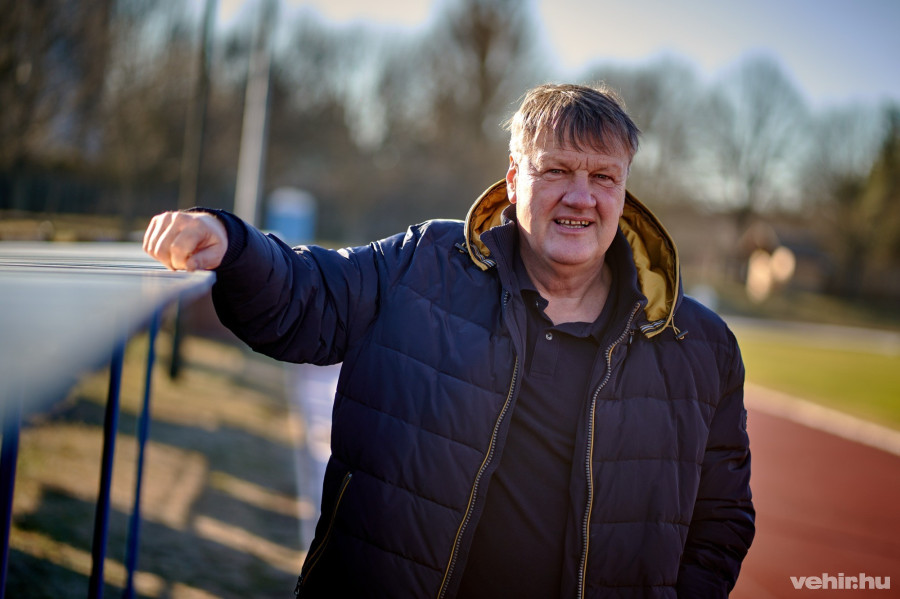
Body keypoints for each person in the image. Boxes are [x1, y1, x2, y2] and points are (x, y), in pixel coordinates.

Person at [143, 83, 754, 598]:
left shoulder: (700, 347)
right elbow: (311, 294)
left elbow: (721, 523)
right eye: (557, 170)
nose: (580, 196)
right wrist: (234, 244)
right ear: (514, 180)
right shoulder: (424, 265)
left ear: (624, 193)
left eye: (603, 176)